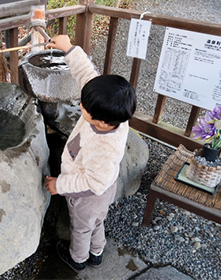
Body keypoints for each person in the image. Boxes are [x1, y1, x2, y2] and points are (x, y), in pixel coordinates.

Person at [44, 35, 137, 272]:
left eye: (84, 108)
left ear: (103, 122)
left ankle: (78, 259)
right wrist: (69, 49)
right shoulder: (114, 114)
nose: (81, 107)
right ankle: (97, 253)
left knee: (82, 227)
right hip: (106, 188)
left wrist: (60, 185)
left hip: (88, 196)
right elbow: (88, 76)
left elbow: (93, 183)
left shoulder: (103, 146)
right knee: (97, 223)